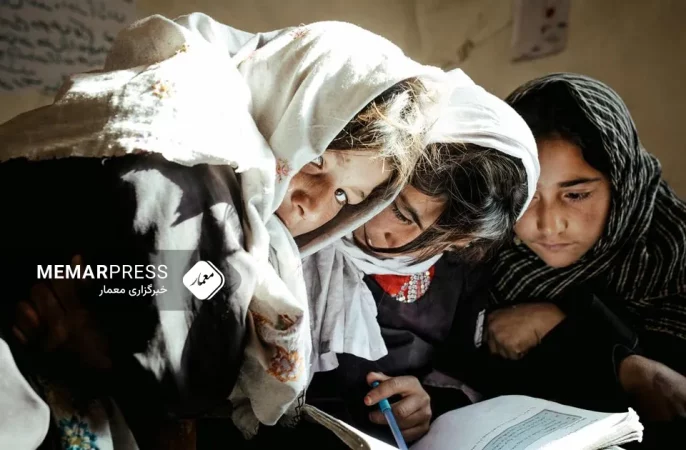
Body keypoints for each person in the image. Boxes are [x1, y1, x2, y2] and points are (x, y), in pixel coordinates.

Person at [0, 13, 447, 448]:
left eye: (345, 196)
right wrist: (101, 357)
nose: (313, 204)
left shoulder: (259, 234)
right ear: (286, 104)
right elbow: (172, 382)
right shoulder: (184, 181)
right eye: (316, 162)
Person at [298, 69, 539, 445]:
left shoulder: (460, 271)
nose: (406, 245)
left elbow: (462, 374)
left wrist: (426, 405)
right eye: (400, 210)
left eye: (446, 243)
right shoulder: (302, 214)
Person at [486, 73, 686, 448]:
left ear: (622, 182)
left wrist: (566, 326)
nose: (548, 224)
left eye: (575, 195)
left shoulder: (674, 260)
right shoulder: (489, 256)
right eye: (526, 196)